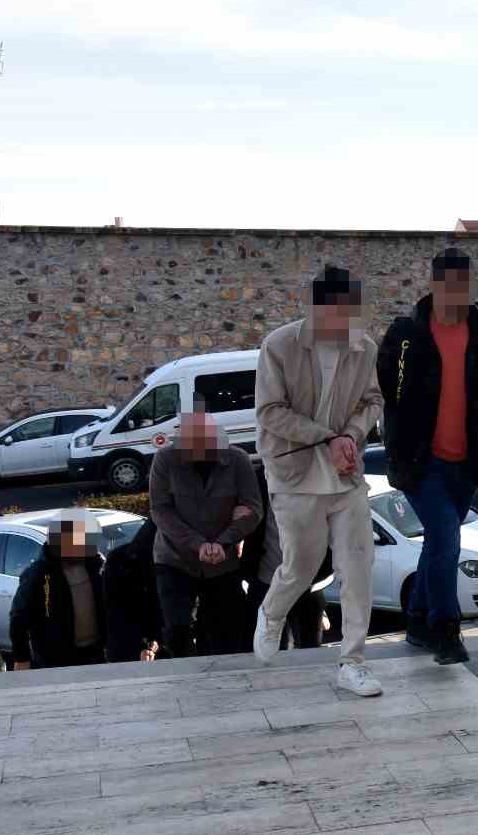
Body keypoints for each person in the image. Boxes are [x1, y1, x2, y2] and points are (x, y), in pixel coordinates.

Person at [376, 246, 478, 665]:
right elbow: (382, 390)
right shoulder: (406, 336)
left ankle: (417, 621)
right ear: (434, 286)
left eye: (466, 285)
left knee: (438, 546)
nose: (459, 294)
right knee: (446, 539)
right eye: (451, 285)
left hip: (470, 463)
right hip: (421, 463)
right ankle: (446, 631)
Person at [252, 265, 384, 696]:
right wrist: (325, 437)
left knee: (358, 564)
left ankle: (353, 660)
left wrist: (350, 435)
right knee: (301, 567)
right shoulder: (279, 345)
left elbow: (372, 400)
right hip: (294, 472)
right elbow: (270, 412)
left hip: (345, 475)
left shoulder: (364, 348)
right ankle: (271, 614)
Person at [149, 410, 263, 659]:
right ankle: (185, 675)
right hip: (175, 558)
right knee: (177, 627)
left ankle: (224, 678)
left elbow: (253, 510)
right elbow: (160, 510)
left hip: (223, 560)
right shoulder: (165, 460)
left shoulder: (238, 460)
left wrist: (224, 541)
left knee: (226, 630)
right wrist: (198, 543)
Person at [241, 463, 330, 651]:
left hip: (308, 583)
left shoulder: (317, 476)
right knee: (269, 649)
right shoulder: (257, 480)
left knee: (310, 648)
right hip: (266, 580)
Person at [8, 510, 107, 670]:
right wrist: (21, 658)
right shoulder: (38, 574)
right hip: (55, 660)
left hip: (95, 654)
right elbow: (18, 618)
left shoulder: (96, 565)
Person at [104, 517, 161, 663]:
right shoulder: (120, 563)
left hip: (157, 646)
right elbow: (117, 614)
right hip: (130, 650)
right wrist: (142, 647)